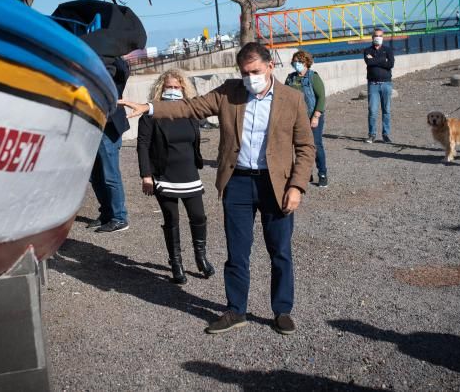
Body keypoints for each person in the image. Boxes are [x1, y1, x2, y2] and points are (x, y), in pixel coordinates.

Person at [119, 42, 315, 336]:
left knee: (280, 251)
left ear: (270, 66)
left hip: (276, 184)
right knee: (237, 252)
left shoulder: (293, 99)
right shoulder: (229, 92)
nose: (250, 78)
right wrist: (149, 107)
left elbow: (306, 146)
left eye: (255, 71)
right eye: (244, 73)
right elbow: (190, 105)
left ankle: (282, 310)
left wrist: (297, 186)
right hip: (237, 182)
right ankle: (236, 310)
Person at [137, 70, 214, 284]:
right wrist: (146, 175)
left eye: (176, 87)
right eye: (168, 87)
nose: (172, 90)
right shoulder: (150, 114)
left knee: (198, 216)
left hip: (189, 172)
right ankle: (176, 263)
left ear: (183, 89)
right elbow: (142, 145)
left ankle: (201, 257)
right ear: (161, 89)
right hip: (164, 174)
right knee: (172, 219)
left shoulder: (189, 112)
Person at [87, 55, 130, 233]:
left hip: (108, 126)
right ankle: (106, 213)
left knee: (110, 174)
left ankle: (119, 217)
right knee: (95, 175)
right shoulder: (90, 69)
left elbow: (123, 71)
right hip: (90, 124)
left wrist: (110, 52)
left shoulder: (114, 66)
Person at [285, 50, 328, 187]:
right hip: (296, 119)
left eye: (298, 61)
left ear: (306, 62)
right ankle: (304, 174)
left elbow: (321, 97)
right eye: (294, 61)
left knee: (315, 145)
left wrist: (316, 116)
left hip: (312, 117)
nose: (296, 64)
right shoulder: (290, 78)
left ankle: (322, 174)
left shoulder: (313, 77)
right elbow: (285, 96)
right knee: (299, 147)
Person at [363, 28, 394, 143]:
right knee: (373, 111)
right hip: (373, 85)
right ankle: (372, 134)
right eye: (376, 35)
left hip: (386, 84)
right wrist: (382, 60)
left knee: (386, 110)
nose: (378, 37)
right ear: (372, 37)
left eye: (380, 36)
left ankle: (385, 134)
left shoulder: (388, 50)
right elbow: (369, 62)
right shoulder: (367, 50)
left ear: (383, 37)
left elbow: (390, 64)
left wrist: (375, 60)